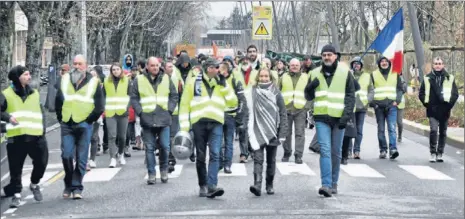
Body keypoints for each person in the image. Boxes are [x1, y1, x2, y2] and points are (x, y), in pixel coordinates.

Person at [178, 57, 238, 198]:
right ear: (206, 68)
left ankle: (212, 185)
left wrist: (225, 86)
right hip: (199, 122)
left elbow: (233, 102)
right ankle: (203, 185)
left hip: (216, 122)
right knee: (200, 156)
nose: (215, 70)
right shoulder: (193, 82)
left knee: (215, 154)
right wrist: (185, 126)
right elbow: (185, 104)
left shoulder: (222, 82)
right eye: (212, 67)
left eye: (217, 68)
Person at [304, 44, 355, 197]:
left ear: (335, 56)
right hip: (321, 118)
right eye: (324, 55)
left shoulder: (345, 73)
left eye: (329, 55)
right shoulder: (313, 73)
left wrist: (346, 116)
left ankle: (334, 183)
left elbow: (351, 96)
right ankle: (325, 184)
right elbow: (308, 96)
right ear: (321, 57)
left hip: (339, 118)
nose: (326, 57)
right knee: (325, 150)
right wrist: (310, 87)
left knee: (336, 152)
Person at [55, 55, 104, 199]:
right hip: (67, 123)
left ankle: (77, 188)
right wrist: (60, 118)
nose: (77, 66)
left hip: (84, 123)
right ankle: (68, 182)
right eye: (75, 64)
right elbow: (58, 100)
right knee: (66, 155)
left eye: (80, 64)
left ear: (86, 65)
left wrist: (89, 120)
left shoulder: (94, 82)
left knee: (82, 158)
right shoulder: (65, 79)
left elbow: (100, 105)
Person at [0, 66, 49, 207]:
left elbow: (41, 113)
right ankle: (16, 194)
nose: (29, 77)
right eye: (26, 74)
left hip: (36, 136)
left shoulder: (34, 93)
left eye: (29, 74)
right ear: (17, 77)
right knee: (16, 168)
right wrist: (8, 118)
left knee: (41, 163)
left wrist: (43, 130)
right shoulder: (6, 94)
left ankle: (34, 184)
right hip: (16, 137)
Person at [130, 57, 178, 184]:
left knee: (164, 146)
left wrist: (170, 110)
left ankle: (163, 169)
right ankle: (151, 173)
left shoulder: (166, 78)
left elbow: (174, 95)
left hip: (164, 117)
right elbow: (134, 98)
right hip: (148, 118)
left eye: (157, 65)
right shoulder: (139, 79)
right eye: (152, 65)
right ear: (147, 66)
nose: (155, 68)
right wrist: (140, 112)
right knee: (150, 148)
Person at [246, 68, 287, 196]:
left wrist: (282, 133)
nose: (264, 78)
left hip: (273, 132)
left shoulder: (276, 92)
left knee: (271, 160)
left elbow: (283, 113)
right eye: (261, 76)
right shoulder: (252, 91)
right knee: (258, 159)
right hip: (257, 130)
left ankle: (269, 185)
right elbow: (247, 110)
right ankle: (257, 185)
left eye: (266, 76)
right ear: (258, 77)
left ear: (270, 78)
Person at [419, 57, 459, 162]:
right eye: (436, 63)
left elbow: (455, 94)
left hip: (445, 109)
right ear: (433, 65)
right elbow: (421, 93)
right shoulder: (427, 78)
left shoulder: (450, 78)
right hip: (432, 109)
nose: (438, 65)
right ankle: (433, 152)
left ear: (443, 65)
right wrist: (427, 104)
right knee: (433, 130)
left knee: (443, 132)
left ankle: (440, 152)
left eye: (440, 63)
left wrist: (449, 105)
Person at [369, 56, 403, 160]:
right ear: (379, 64)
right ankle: (383, 150)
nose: (384, 63)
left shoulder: (395, 74)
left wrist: (397, 101)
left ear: (389, 63)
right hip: (379, 106)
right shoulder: (374, 75)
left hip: (391, 105)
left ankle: (393, 149)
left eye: (386, 61)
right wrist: (373, 103)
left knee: (392, 128)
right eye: (382, 61)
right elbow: (369, 90)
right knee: (381, 129)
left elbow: (400, 89)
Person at [218, 61, 247, 174]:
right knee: (218, 142)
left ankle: (227, 165)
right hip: (218, 115)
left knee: (229, 142)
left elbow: (242, 100)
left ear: (226, 71)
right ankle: (220, 162)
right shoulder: (216, 81)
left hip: (231, 116)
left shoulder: (235, 81)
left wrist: (239, 117)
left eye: (220, 70)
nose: (218, 73)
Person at [278, 58, 310, 164]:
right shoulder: (283, 77)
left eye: (296, 65)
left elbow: (311, 92)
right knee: (286, 133)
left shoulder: (306, 77)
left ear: (300, 66)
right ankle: (287, 153)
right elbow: (277, 92)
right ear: (289, 66)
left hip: (300, 109)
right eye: (292, 65)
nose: (294, 67)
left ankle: (298, 155)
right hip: (286, 109)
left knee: (300, 133)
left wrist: (307, 106)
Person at [103, 63, 132, 168]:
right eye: (113, 70)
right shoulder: (106, 81)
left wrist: (127, 107)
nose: (115, 71)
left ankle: (120, 153)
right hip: (110, 112)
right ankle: (112, 158)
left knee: (122, 137)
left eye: (117, 69)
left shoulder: (126, 81)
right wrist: (103, 108)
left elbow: (130, 95)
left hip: (123, 112)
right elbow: (103, 96)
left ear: (121, 70)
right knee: (112, 136)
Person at [347, 57, 373, 159]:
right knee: (349, 129)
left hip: (361, 107)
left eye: (358, 64)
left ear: (361, 66)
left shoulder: (367, 76)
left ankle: (357, 150)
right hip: (350, 107)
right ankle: (348, 150)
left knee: (359, 130)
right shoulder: (348, 74)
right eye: (354, 64)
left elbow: (371, 90)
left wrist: (367, 100)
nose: (356, 65)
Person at [164, 61, 183, 173]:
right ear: (165, 68)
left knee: (172, 137)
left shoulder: (176, 78)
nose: (172, 68)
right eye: (169, 67)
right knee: (164, 137)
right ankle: (166, 157)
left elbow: (180, 93)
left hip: (174, 111)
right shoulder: (161, 79)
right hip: (162, 112)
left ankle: (170, 158)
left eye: (172, 66)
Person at [397, 72, 408, 143]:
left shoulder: (402, 79)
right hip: (391, 103)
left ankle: (400, 135)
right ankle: (392, 137)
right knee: (391, 123)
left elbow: (404, 89)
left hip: (400, 104)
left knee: (399, 122)